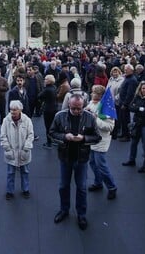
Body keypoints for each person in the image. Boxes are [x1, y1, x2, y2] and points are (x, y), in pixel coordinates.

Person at [49, 94, 101, 230]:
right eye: (74, 109)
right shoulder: (60, 116)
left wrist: (84, 139)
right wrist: (65, 137)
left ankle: (81, 214)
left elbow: (97, 137)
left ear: (83, 106)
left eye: (80, 108)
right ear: (69, 105)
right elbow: (52, 133)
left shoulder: (90, 117)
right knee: (63, 186)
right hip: (65, 157)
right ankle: (64, 210)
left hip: (82, 158)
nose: (77, 111)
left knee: (82, 188)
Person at [86, 85, 118, 199]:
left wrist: (95, 119)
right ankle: (98, 183)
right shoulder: (91, 103)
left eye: (94, 92)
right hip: (91, 139)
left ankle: (112, 187)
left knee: (101, 165)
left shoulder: (106, 108)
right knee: (92, 163)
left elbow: (109, 127)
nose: (91, 94)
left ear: (100, 95)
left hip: (101, 140)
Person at [0, 100, 34, 199]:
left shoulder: (27, 120)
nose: (12, 112)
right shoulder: (6, 120)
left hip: (24, 152)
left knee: (25, 172)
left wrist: (26, 148)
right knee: (10, 173)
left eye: (15, 110)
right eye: (11, 109)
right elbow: (3, 136)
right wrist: (8, 149)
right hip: (11, 152)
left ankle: (26, 190)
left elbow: (31, 135)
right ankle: (9, 192)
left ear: (20, 110)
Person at [123, 81, 145, 173]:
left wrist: (137, 108)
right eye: (143, 88)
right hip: (137, 124)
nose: (144, 90)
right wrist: (140, 108)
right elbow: (130, 107)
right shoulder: (137, 97)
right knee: (133, 143)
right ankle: (131, 160)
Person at [39, 74, 57, 148]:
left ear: (49, 81)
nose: (44, 80)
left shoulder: (47, 89)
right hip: (54, 108)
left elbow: (39, 96)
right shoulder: (54, 87)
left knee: (48, 126)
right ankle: (53, 140)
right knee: (53, 126)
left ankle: (49, 143)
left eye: (46, 79)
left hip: (48, 109)